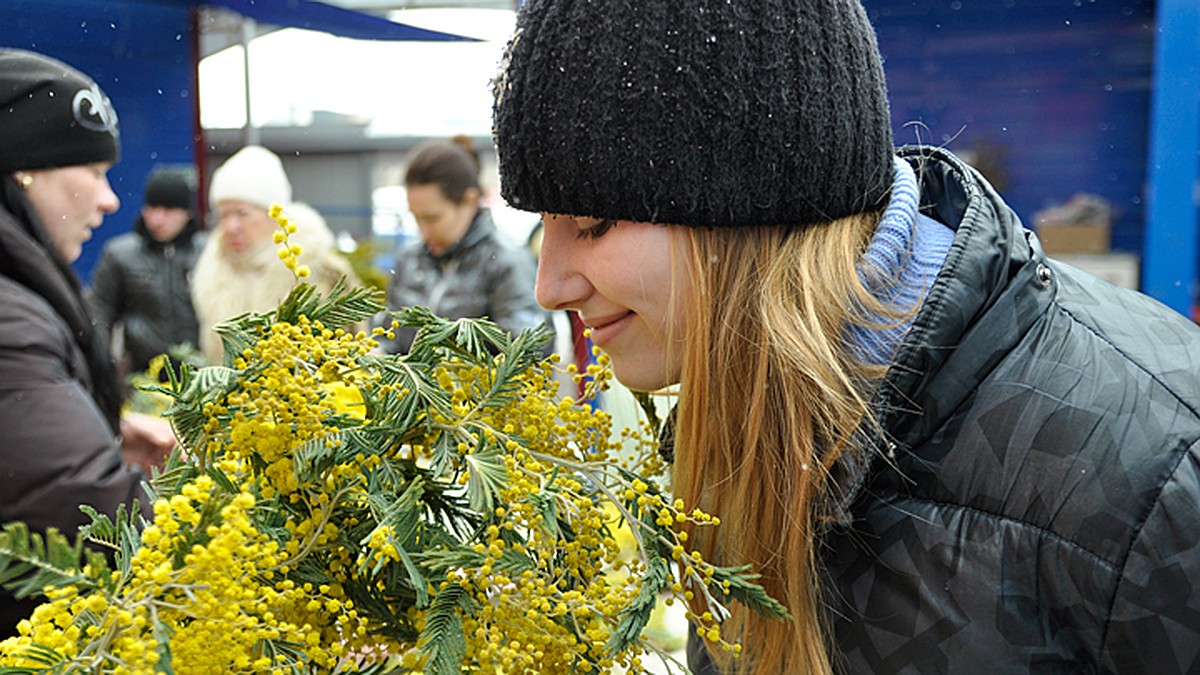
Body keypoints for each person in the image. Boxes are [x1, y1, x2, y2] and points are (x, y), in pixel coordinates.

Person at [492, 1, 1200, 673]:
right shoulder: (755, 408)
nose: (548, 285)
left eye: (590, 222)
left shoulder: (1153, 473)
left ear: (747, 200)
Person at [0, 48, 173, 634]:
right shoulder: (8, 315)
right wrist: (231, 528)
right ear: (24, 169)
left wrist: (98, 429)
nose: (110, 200)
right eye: (94, 172)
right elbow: (80, 512)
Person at [379, 136, 551, 355]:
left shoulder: (506, 263)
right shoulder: (409, 259)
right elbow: (387, 333)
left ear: (469, 201)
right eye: (415, 217)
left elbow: (529, 352)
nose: (423, 230)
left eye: (432, 218)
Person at [191, 145, 360, 365]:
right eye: (223, 215)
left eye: (242, 213)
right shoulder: (211, 274)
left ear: (275, 214)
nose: (231, 226)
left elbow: (354, 356)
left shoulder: (324, 270)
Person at [87, 168, 206, 380]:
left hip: (202, 378)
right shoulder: (120, 254)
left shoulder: (208, 253)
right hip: (141, 378)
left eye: (168, 210)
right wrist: (102, 370)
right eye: (152, 208)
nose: (157, 219)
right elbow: (99, 314)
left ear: (187, 213)